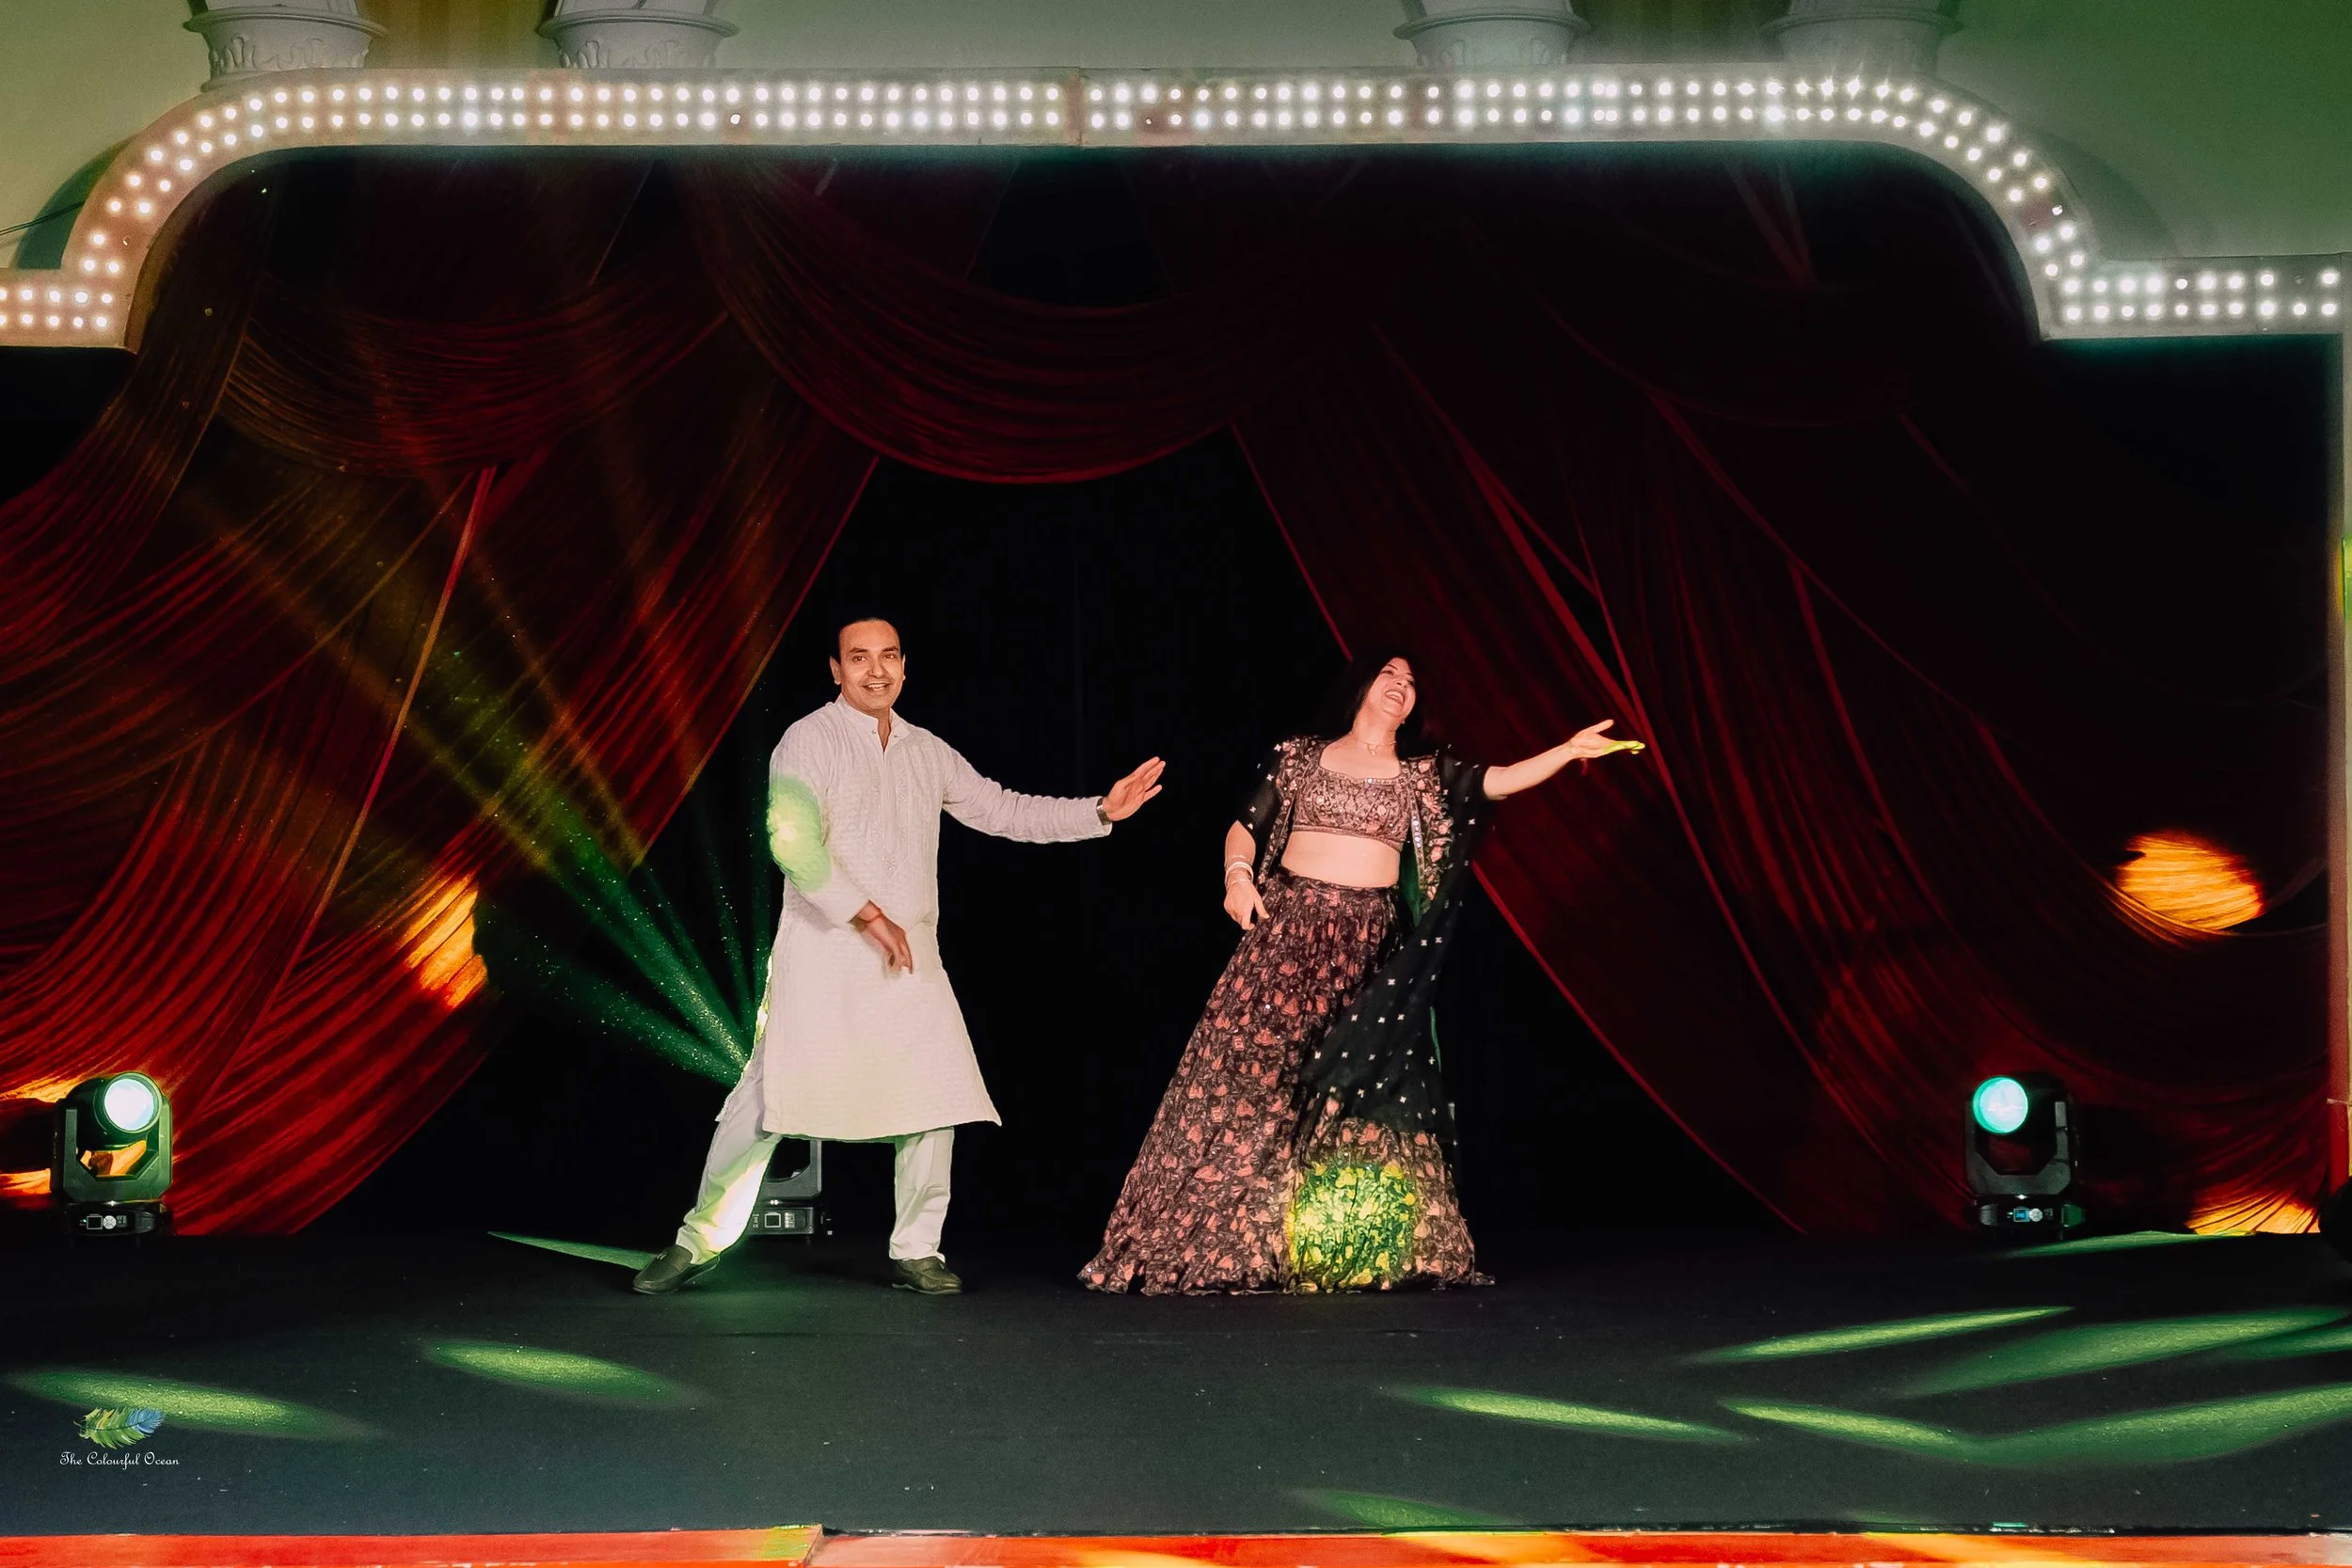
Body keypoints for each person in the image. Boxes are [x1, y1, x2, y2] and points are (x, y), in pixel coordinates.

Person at [634, 614, 1165, 1296]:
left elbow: (1002, 810)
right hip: (823, 954)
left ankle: (917, 1250)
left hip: (909, 956)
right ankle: (698, 1240)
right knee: (768, 1102)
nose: (876, 670)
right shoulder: (809, 739)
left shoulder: (925, 750)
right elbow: (791, 840)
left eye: (888, 656)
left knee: (934, 1095)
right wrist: (867, 913)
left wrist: (1100, 812)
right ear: (836, 670)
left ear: (905, 667)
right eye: (859, 657)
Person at [1082, 649, 1640, 1295]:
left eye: (1411, 680)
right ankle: (1228, 1243)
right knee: (1250, 1088)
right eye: (1389, 674)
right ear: (1361, 684)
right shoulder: (1299, 755)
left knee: (1351, 1095)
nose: (1402, 684)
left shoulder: (1421, 775)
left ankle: (1343, 1248)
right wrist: (1237, 878)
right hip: (1286, 937)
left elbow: (1499, 781)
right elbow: (1246, 826)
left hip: (1367, 952)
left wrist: (1568, 750)